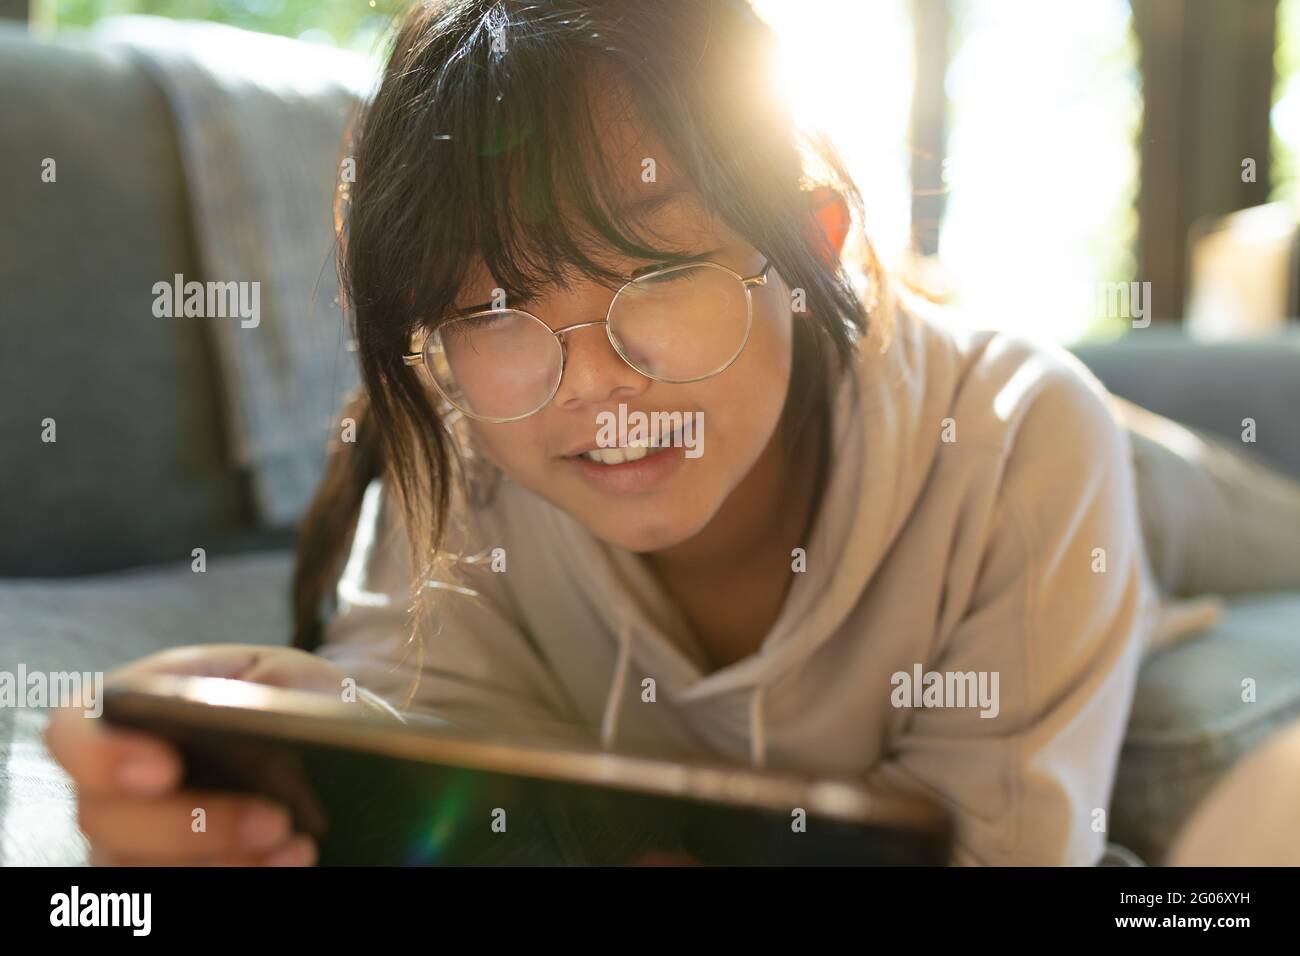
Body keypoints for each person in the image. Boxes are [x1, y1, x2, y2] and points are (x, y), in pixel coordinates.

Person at [44, 0, 1300, 866]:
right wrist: (303, 778)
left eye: (650, 281)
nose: (591, 385)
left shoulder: (1024, 434)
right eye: (495, 313)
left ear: (804, 245)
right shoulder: (463, 459)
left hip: (1057, 445)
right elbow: (442, 764)